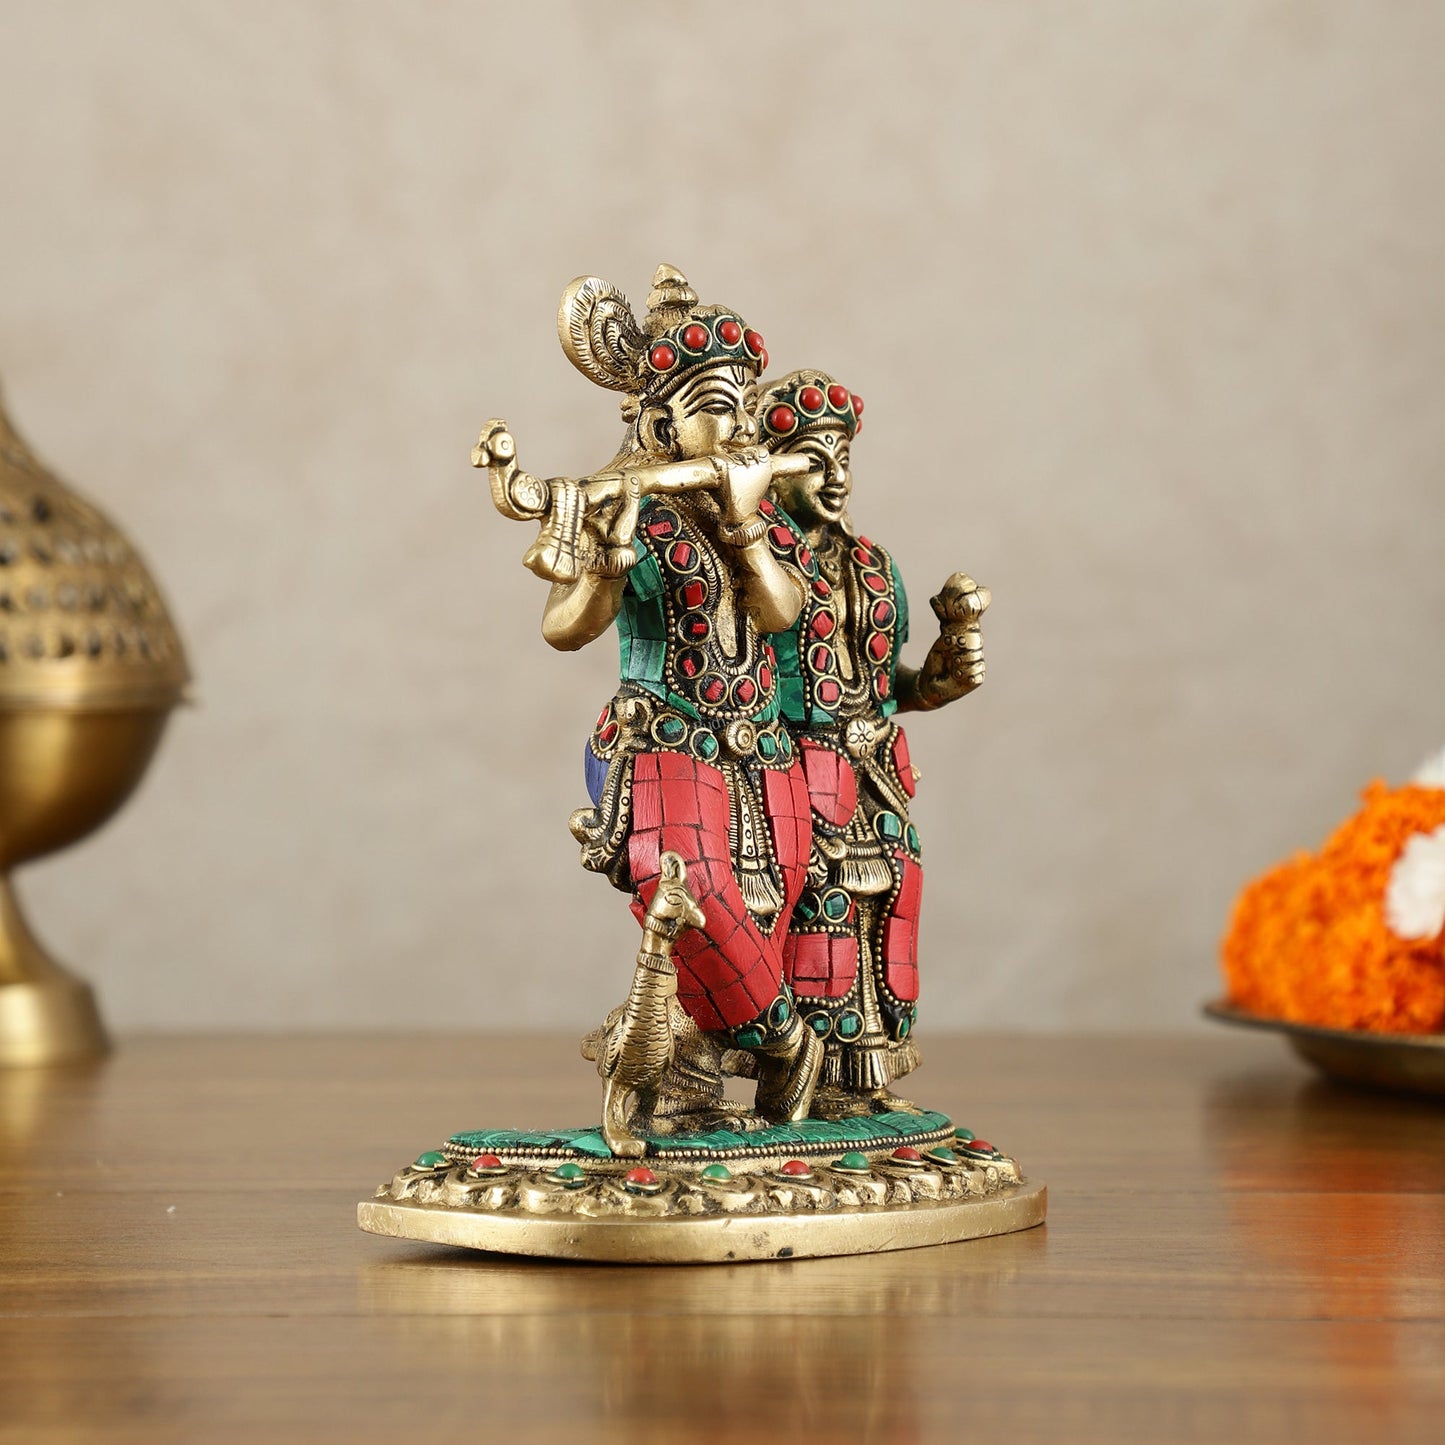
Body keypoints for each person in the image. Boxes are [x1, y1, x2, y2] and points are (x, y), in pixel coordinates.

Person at [474, 268, 824, 1150]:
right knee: (690, 895)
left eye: (747, 409)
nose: (739, 429)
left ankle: (689, 1076)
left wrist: (744, 521)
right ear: (664, 424)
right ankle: (786, 1041)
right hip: (664, 737)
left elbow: (782, 612)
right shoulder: (642, 512)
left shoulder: (760, 515)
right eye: (717, 409)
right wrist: (610, 550)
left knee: (766, 912)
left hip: (761, 747)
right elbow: (565, 628)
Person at [756, 369, 988, 1114]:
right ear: (771, 465)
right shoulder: (754, 566)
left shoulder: (872, 567)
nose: (835, 477)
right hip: (792, 766)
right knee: (818, 907)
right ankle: (805, 1074)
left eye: (843, 458)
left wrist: (938, 680)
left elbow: (890, 683)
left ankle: (866, 1073)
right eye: (812, 459)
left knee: (889, 898)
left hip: (876, 768)